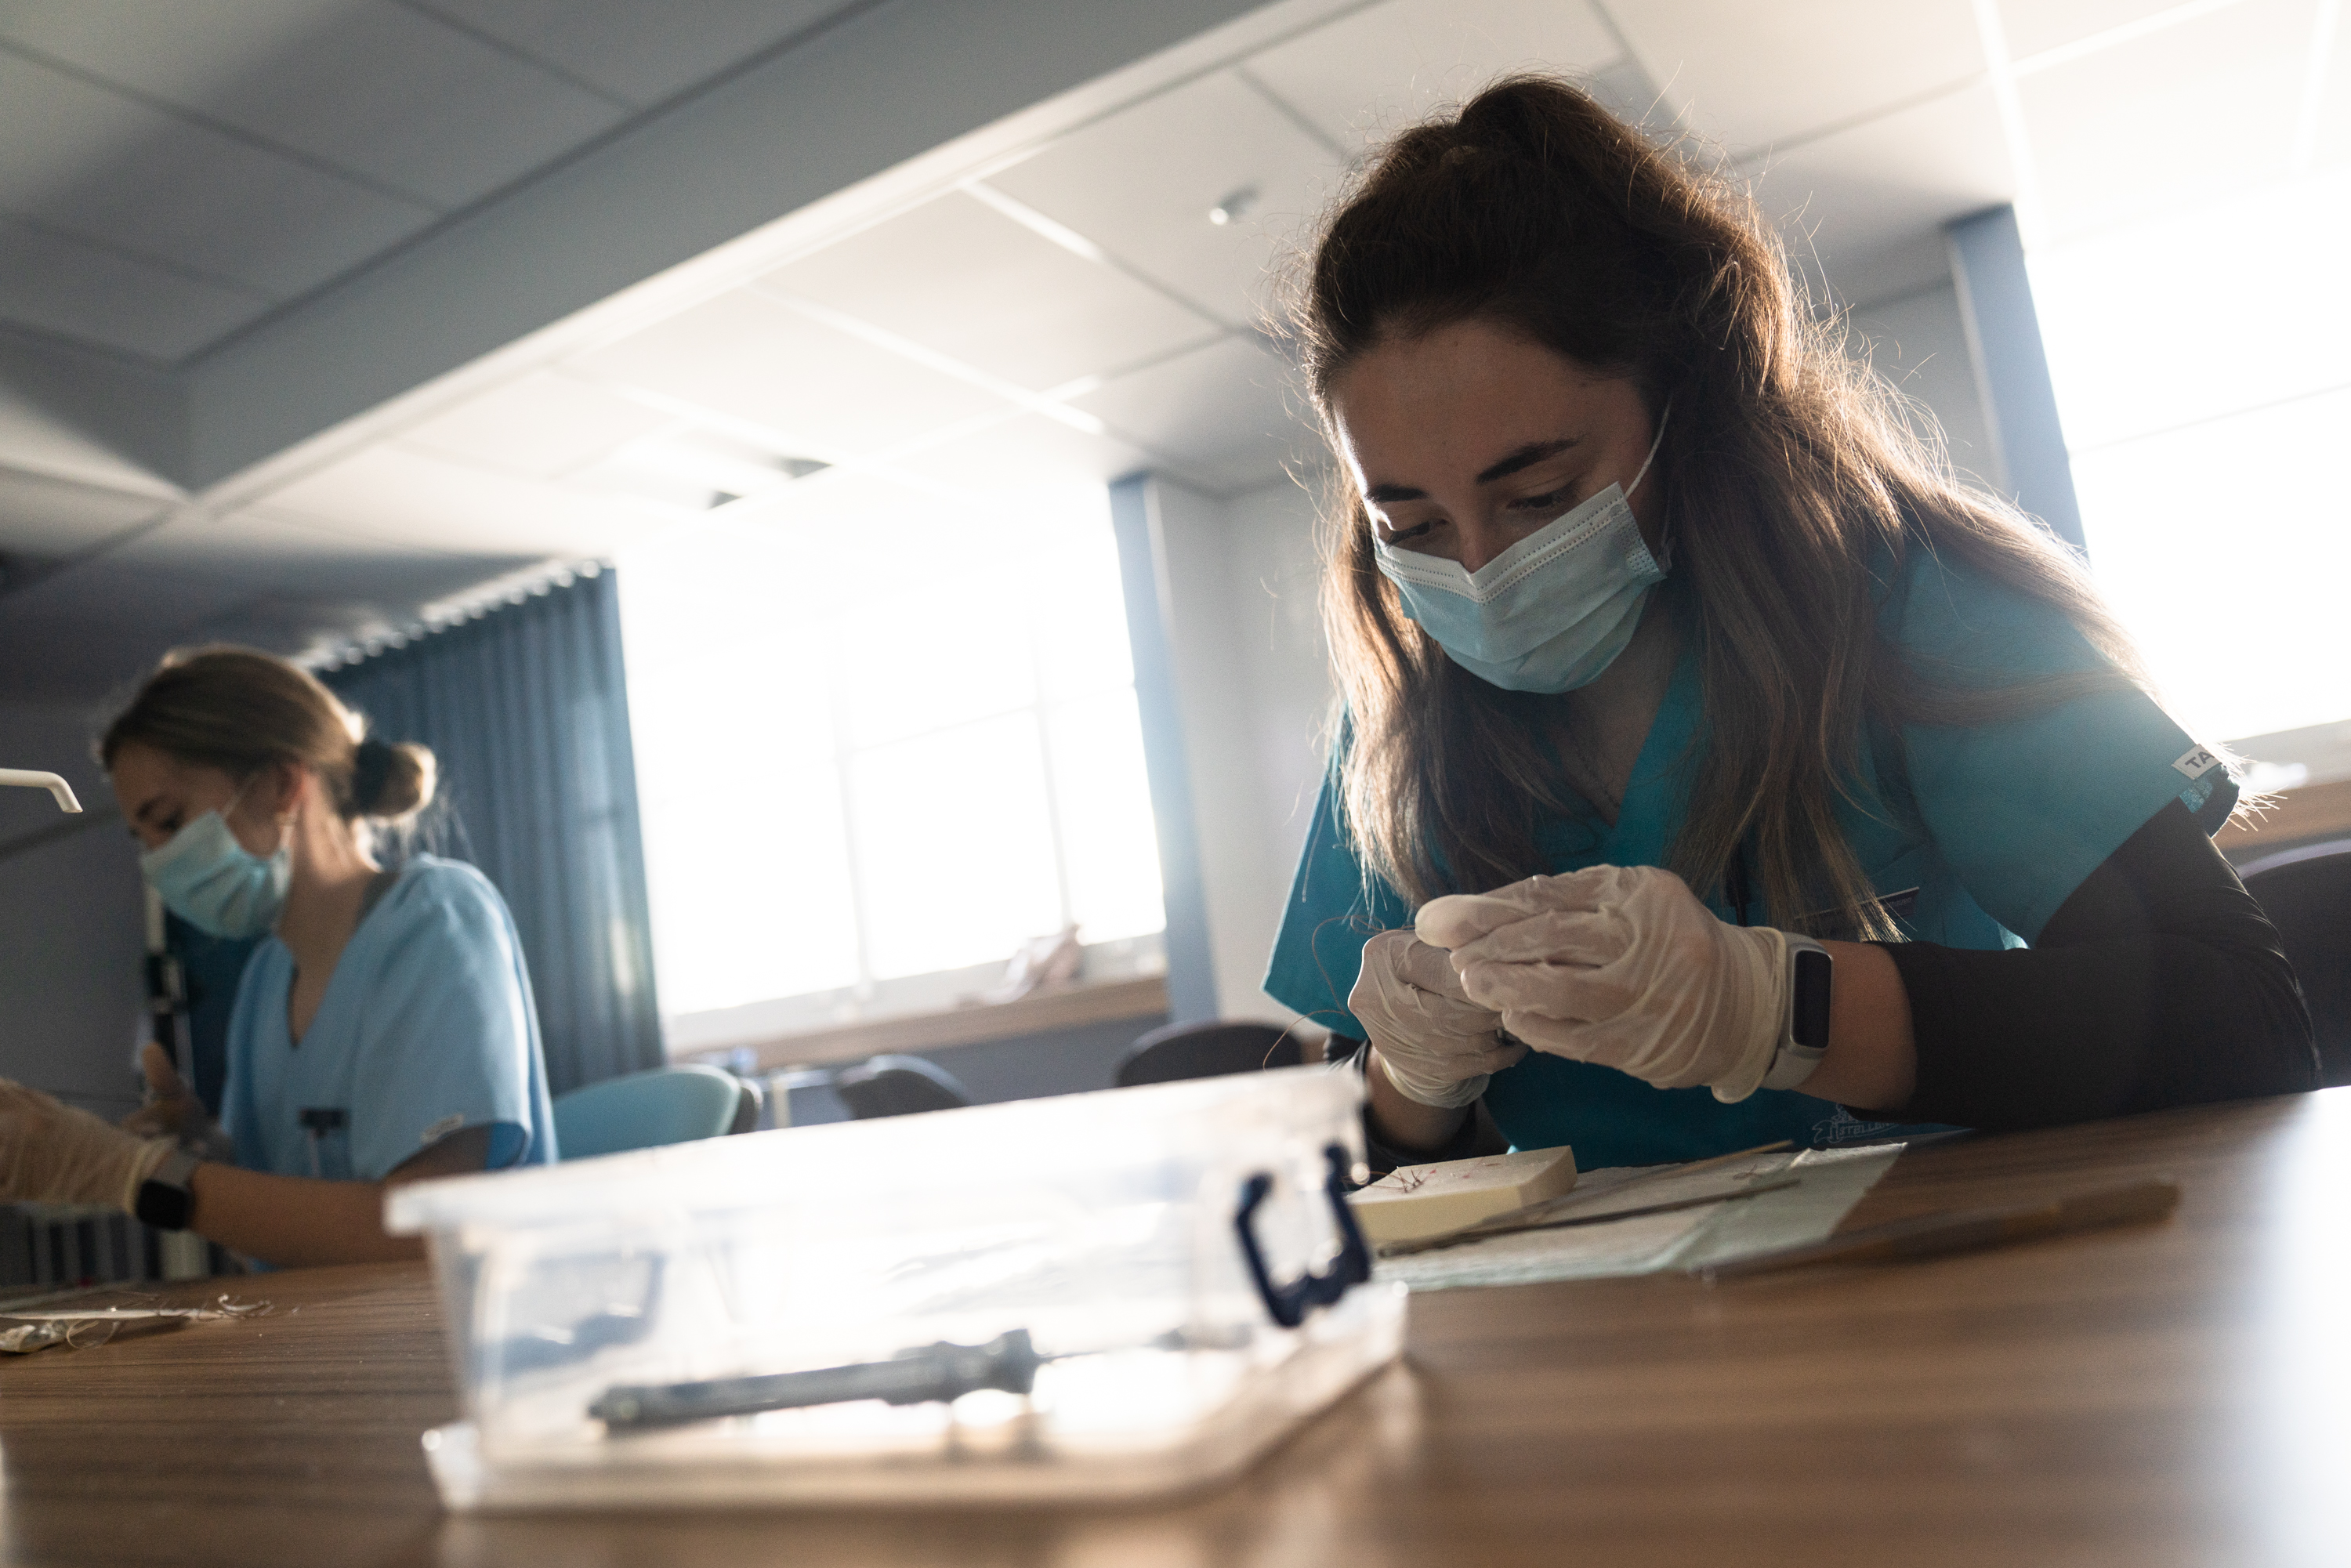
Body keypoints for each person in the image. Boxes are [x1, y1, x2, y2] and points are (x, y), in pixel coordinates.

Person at [1263, 78, 2317, 1172]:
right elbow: (1336, 1179)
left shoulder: (1910, 601)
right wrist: (1408, 1079)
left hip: (1948, 1285)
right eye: (1416, 523)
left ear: (1689, 405)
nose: (1480, 569)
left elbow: (2241, 1017)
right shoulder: (1402, 721)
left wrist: (1782, 1011)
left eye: (1541, 497)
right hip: (1602, 1332)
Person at [0, 647, 556, 1266]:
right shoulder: (269, 979)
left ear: (283, 785)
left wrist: (132, 1173)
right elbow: (293, 1199)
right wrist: (200, 1150)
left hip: (447, 1348)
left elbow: (421, 1231)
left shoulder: (436, 922)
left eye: (169, 820)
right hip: (329, 1342)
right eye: (144, 838)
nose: (156, 863)